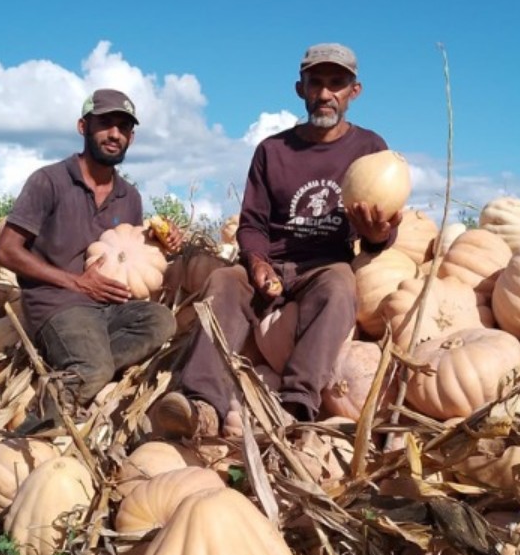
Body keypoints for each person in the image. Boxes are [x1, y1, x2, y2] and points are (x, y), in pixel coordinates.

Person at [151, 43, 402, 438]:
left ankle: (295, 404)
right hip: (270, 265)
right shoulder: (272, 150)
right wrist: (257, 263)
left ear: (354, 92)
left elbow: (382, 231)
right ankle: (200, 405)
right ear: (299, 89)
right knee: (223, 282)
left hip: (321, 267)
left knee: (340, 284)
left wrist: (377, 237)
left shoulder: (370, 149)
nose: (324, 94)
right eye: (315, 83)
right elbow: (251, 224)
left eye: (337, 84)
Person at [0, 88, 179, 422]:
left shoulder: (130, 196)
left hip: (107, 308)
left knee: (162, 320)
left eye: (123, 127)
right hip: (58, 303)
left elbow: (126, 255)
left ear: (131, 138)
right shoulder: (48, 181)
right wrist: (77, 283)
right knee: (93, 369)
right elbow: (5, 250)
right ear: (83, 127)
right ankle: (34, 427)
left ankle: (84, 363)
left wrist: (158, 242)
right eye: (106, 123)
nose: (114, 134)